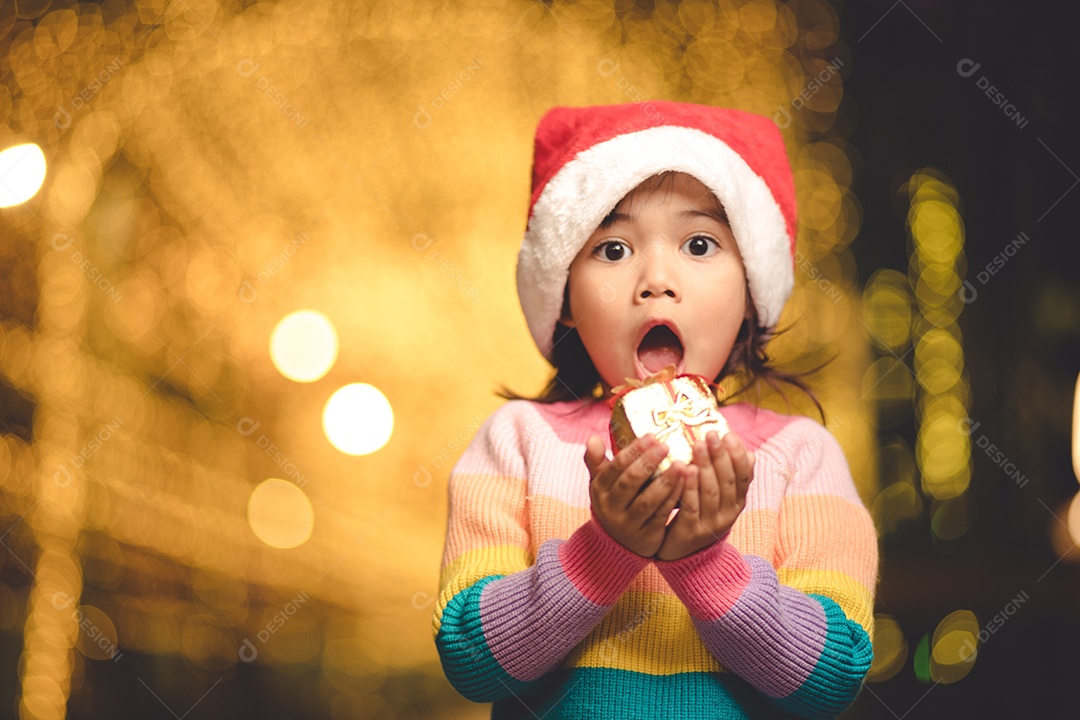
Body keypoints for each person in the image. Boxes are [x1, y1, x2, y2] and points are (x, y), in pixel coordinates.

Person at [433, 101, 878, 719]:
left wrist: (704, 560)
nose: (656, 280)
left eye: (699, 244)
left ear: (751, 290)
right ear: (564, 295)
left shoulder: (801, 456)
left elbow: (832, 678)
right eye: (613, 250)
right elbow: (472, 662)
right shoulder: (515, 442)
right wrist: (604, 550)